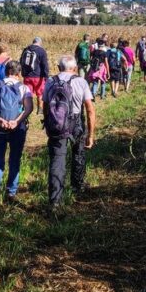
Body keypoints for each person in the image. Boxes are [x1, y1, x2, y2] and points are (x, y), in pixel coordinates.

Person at [43, 56, 96, 211]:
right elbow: (90, 109)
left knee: (57, 160)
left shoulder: (51, 81)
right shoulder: (81, 81)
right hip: (76, 121)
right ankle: (77, 186)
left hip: (56, 123)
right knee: (78, 153)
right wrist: (90, 135)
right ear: (74, 68)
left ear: (59, 67)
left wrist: (48, 123)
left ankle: (55, 201)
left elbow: (45, 105)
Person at [0, 60, 33, 205]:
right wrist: (17, 122)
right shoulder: (24, 88)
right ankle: (11, 193)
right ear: (19, 73)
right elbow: (29, 108)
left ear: (6, 71)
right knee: (14, 160)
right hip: (17, 129)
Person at [20, 37, 49, 112]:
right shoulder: (41, 51)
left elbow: (21, 62)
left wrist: (23, 73)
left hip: (27, 76)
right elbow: (45, 65)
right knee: (40, 93)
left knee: (28, 93)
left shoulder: (26, 49)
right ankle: (40, 109)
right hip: (38, 77)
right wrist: (46, 76)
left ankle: (27, 109)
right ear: (40, 43)